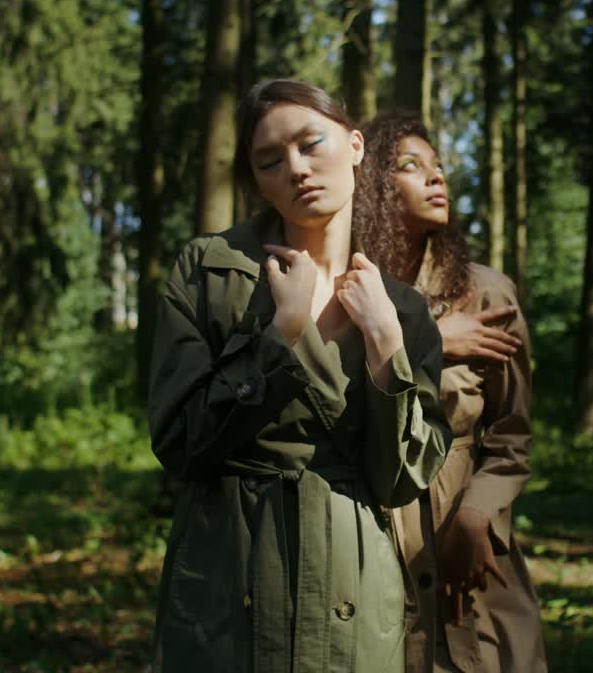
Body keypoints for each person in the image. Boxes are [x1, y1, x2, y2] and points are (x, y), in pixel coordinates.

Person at [148, 81, 451, 673]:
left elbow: (400, 482)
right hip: (229, 577)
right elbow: (178, 442)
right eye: (270, 161)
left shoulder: (402, 308)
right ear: (256, 182)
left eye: (312, 144)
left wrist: (387, 346)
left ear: (356, 146)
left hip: (352, 586)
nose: (296, 169)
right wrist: (278, 336)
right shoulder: (210, 271)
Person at [354, 111, 547, 672]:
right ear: (371, 186)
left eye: (437, 166)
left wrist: (477, 515)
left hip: (466, 544)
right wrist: (432, 341)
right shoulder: (348, 292)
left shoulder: (486, 294)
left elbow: (511, 435)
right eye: (410, 166)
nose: (436, 177)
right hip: (372, 538)